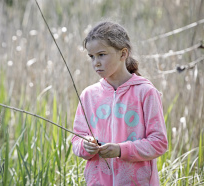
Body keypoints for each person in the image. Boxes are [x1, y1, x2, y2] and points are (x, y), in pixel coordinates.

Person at [71, 21, 168, 186]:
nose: (96, 62)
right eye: (91, 56)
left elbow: (159, 142)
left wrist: (121, 150)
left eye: (102, 54)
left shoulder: (145, 92)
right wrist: (85, 145)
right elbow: (76, 140)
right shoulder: (89, 95)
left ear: (123, 54)